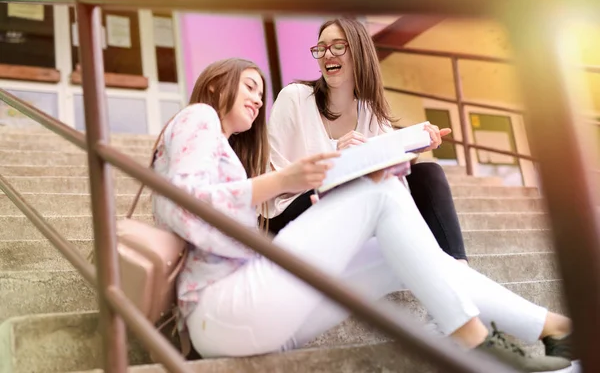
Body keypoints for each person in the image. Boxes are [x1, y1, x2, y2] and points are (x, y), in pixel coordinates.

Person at [152, 58, 575, 372]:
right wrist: (283, 181)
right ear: (213, 86)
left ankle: (552, 326)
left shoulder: (223, 147)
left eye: (261, 91)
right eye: (249, 86)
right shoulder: (198, 116)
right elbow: (184, 203)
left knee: (393, 250)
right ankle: (469, 337)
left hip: (249, 318)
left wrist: (325, 170)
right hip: (218, 309)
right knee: (382, 193)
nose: (259, 98)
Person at [265, 18, 468, 264]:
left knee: (428, 173)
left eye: (338, 46)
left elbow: (390, 172)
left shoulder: (370, 109)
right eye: (321, 48)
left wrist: (413, 146)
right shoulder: (294, 97)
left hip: (353, 205)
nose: (328, 54)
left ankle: (458, 267)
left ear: (359, 52)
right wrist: (337, 162)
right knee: (362, 191)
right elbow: (274, 176)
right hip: (296, 208)